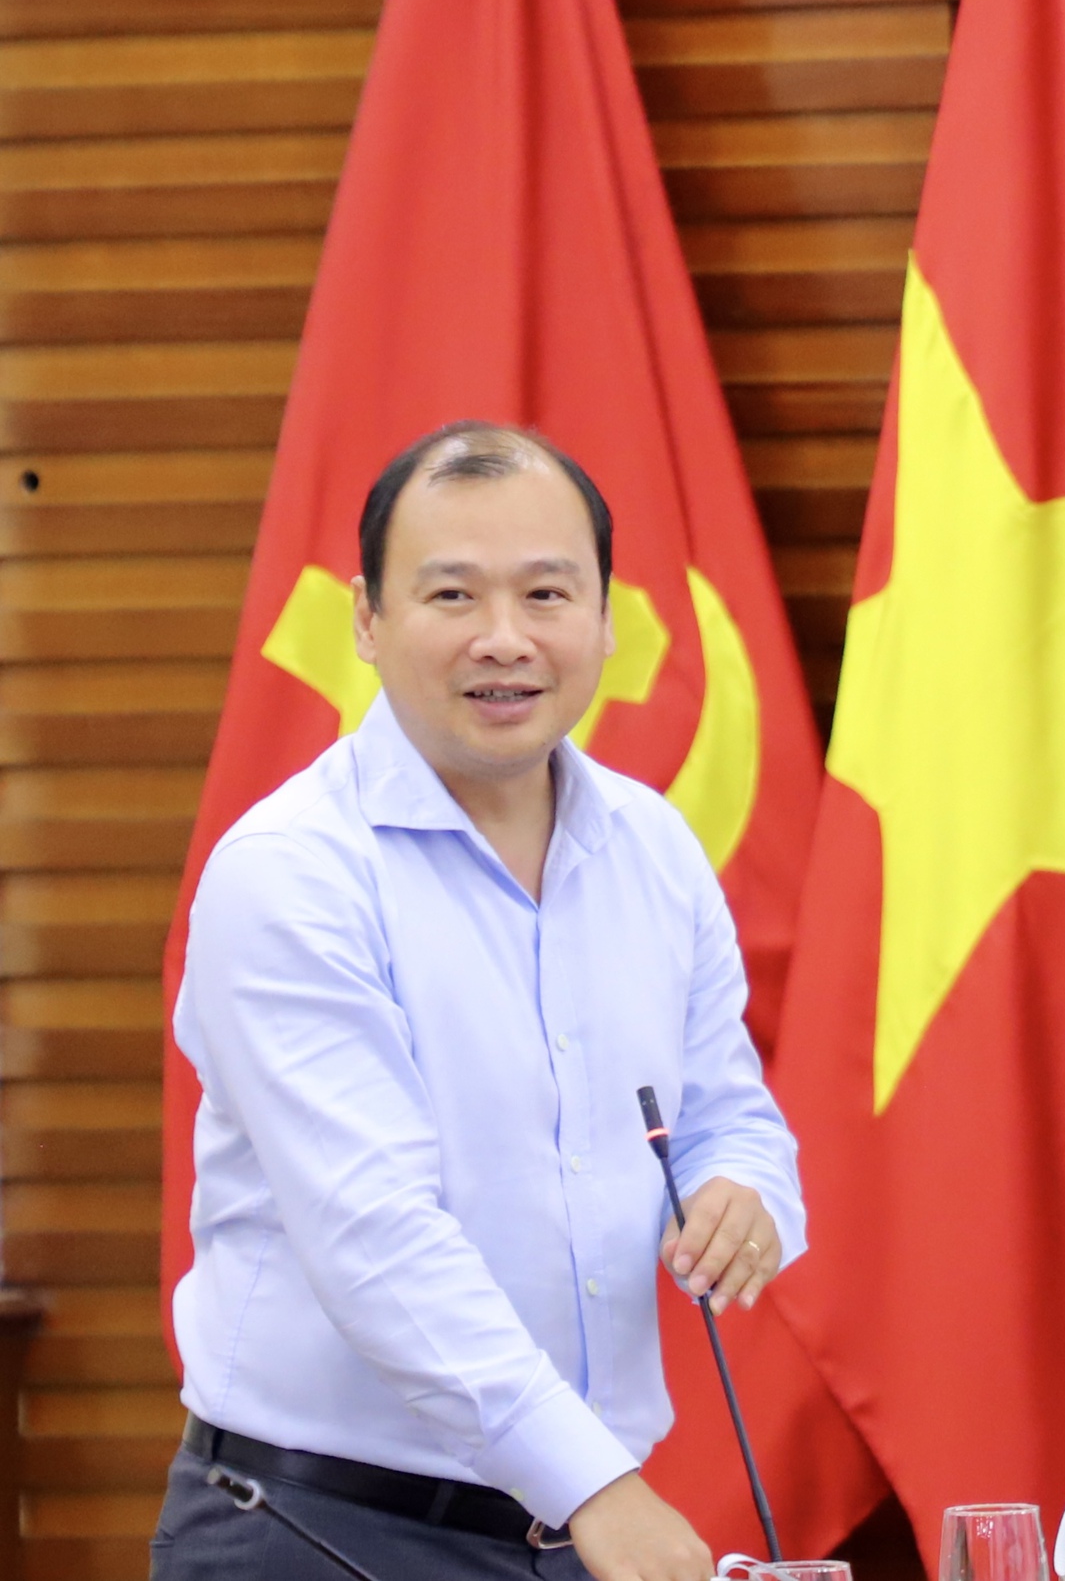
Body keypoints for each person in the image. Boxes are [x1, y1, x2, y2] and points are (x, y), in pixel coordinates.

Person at [154, 422, 801, 1581]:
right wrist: (597, 1484)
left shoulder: (652, 848)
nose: (505, 638)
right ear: (367, 617)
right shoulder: (293, 873)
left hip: (568, 1529)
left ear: (605, 615)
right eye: (452, 593)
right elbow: (376, 1236)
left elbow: (725, 1109)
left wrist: (744, 1189)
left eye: (547, 592)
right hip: (317, 1530)